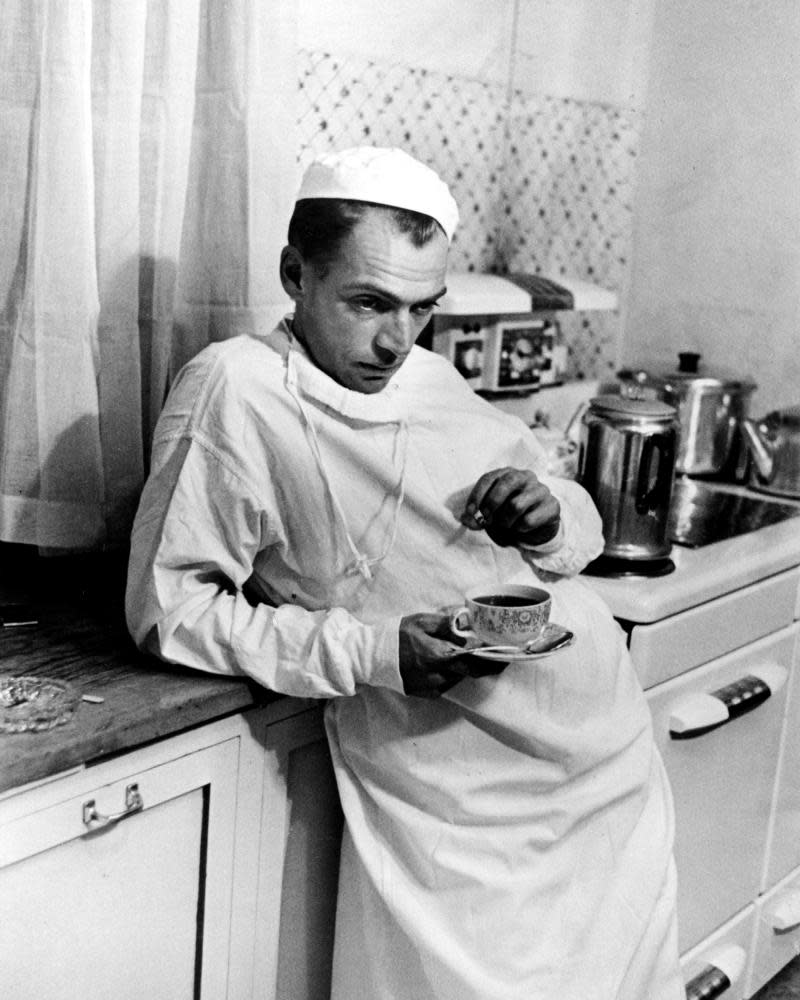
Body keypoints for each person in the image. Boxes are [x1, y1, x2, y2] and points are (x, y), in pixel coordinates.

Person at [126, 146, 683, 999]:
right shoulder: (237, 390)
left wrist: (545, 507)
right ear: (294, 274)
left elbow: (573, 529)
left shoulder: (429, 377)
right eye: (369, 303)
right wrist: (374, 654)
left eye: (422, 308)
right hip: (459, 804)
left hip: (601, 763)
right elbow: (170, 605)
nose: (396, 339)